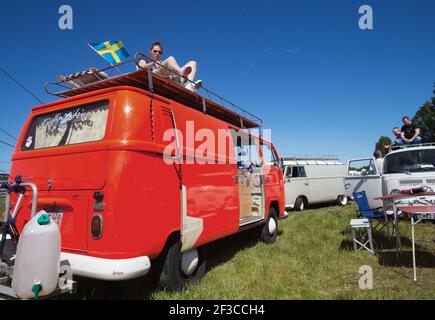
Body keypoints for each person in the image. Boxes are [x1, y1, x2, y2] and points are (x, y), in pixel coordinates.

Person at [137, 41, 202, 92]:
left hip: (168, 77)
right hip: (154, 76)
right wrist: (153, 63)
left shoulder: (163, 62)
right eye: (155, 51)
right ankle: (181, 73)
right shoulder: (144, 60)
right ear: (150, 51)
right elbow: (141, 67)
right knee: (170, 58)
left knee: (193, 63)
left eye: (159, 52)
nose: (157, 53)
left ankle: (189, 86)